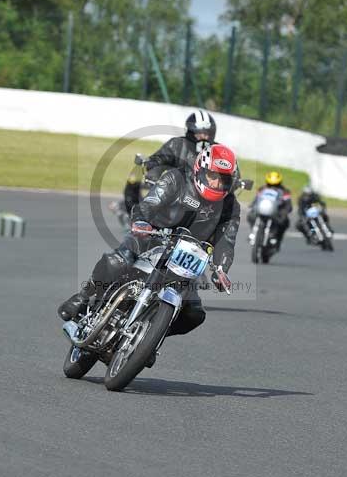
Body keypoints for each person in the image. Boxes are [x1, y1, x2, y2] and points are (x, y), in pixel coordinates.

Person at [59, 144, 241, 341]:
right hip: (152, 236)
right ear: (200, 170)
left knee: (194, 314)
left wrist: (222, 269)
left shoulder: (231, 206)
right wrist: (142, 222)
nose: (216, 183)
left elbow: (226, 240)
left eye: (223, 179)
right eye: (212, 176)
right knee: (117, 262)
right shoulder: (176, 179)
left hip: (187, 256)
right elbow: (150, 203)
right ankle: (84, 296)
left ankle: (150, 337)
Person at [119, 109, 218, 215]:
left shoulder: (217, 150)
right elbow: (160, 158)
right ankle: (136, 215)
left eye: (206, 134)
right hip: (176, 192)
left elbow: (229, 169)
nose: (203, 137)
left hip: (206, 196)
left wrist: (234, 180)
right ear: (190, 132)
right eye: (199, 134)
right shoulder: (177, 145)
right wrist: (153, 168)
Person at [247, 171, 292, 250]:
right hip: (262, 209)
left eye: (275, 185)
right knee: (250, 215)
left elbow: (288, 204)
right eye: (270, 185)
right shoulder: (262, 189)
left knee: (285, 221)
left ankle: (277, 238)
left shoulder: (285, 191)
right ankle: (254, 232)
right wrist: (252, 205)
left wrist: (285, 211)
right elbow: (256, 200)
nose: (273, 187)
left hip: (277, 211)